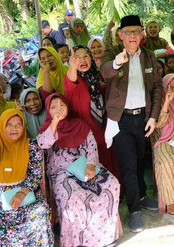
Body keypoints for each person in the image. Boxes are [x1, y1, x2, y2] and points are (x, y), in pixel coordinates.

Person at [101, 15, 162, 233]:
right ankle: (134, 210)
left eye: (137, 31)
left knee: (140, 161)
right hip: (120, 119)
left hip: (143, 118)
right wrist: (119, 61)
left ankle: (143, 196)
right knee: (128, 165)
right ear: (120, 34)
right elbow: (105, 71)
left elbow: (156, 87)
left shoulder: (149, 55)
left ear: (142, 34)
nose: (133, 36)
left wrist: (153, 116)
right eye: (128, 32)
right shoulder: (112, 53)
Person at [37, 93, 120, 247]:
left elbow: (92, 146)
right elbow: (43, 144)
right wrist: (54, 122)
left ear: (67, 107)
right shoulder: (46, 128)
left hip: (86, 166)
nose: (58, 109)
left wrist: (90, 165)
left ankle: (106, 236)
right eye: (53, 107)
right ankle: (79, 242)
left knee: (112, 184)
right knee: (73, 198)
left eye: (61, 105)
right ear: (48, 111)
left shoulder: (79, 124)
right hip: (62, 173)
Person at [0, 108, 53, 246]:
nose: (14, 128)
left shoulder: (31, 145)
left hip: (26, 191)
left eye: (18, 124)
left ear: (24, 126)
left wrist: (22, 193)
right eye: (9, 124)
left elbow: (35, 174)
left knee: (40, 214)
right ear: (2, 126)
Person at [65, 46, 120, 180]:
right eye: (77, 57)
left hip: (104, 130)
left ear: (91, 58)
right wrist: (73, 66)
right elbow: (71, 79)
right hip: (86, 135)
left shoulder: (97, 76)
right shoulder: (73, 79)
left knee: (111, 165)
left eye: (85, 56)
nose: (82, 60)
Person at [151, 74, 174, 217]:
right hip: (164, 141)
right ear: (165, 88)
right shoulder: (159, 102)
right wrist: (166, 103)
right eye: (170, 87)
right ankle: (171, 200)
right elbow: (158, 124)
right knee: (167, 162)